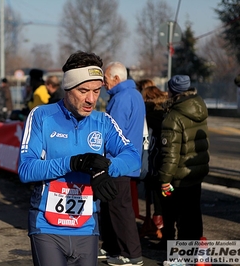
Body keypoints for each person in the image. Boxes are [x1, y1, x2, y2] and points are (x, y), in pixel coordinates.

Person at [18, 51, 141, 266]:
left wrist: (104, 169)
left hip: (86, 227)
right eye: (83, 90)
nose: (91, 99)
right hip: (47, 227)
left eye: (96, 91)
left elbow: (133, 157)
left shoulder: (103, 121)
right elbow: (26, 169)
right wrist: (73, 163)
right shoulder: (42, 116)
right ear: (67, 88)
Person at [154, 75, 209, 249]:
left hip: (178, 176)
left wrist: (164, 180)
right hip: (196, 171)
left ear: (172, 91)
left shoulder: (173, 117)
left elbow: (170, 155)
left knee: (178, 215)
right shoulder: (199, 108)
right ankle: (193, 250)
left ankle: (181, 254)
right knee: (193, 214)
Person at [99, 61, 144, 266]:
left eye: (106, 80)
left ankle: (131, 254)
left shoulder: (120, 99)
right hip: (129, 160)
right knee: (114, 207)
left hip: (117, 162)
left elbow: (112, 134)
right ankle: (114, 248)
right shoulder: (135, 95)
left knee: (120, 209)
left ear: (116, 79)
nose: (103, 84)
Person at [138, 85, 168, 240]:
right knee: (165, 196)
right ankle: (162, 229)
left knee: (157, 196)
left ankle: (159, 228)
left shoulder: (148, 115)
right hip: (166, 161)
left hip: (153, 160)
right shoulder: (166, 111)